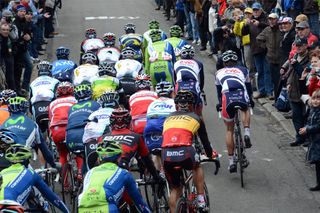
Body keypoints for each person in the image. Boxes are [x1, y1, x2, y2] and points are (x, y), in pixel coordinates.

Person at [162, 90, 209, 212]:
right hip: (185, 152)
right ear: (192, 105)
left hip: (166, 155)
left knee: (175, 188)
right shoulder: (196, 118)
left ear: (176, 105)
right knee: (197, 167)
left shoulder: (167, 118)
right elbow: (205, 142)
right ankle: (200, 200)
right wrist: (210, 155)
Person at [78, 140, 151, 213]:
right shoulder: (123, 173)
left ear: (99, 159)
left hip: (83, 207)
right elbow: (140, 204)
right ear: (119, 158)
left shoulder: (90, 172)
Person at [0, 144, 69, 212]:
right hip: (8, 205)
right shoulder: (31, 173)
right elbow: (52, 197)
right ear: (27, 161)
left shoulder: (2, 172)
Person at [215, 50, 253, 173]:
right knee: (245, 108)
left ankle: (231, 162)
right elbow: (248, 88)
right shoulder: (243, 70)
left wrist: (220, 105)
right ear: (236, 61)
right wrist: (250, 100)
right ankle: (247, 132)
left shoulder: (219, 72)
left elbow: (219, 92)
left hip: (227, 96)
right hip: (241, 93)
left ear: (224, 63)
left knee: (229, 130)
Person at [0, 96, 57, 168]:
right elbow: (44, 149)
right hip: (21, 156)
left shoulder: (3, 124)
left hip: (5, 156)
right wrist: (53, 165)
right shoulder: (33, 124)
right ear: (26, 109)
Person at [144, 81, 176, 171]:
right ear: (170, 93)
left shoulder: (152, 104)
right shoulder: (173, 102)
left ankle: (158, 177)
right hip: (167, 128)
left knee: (157, 152)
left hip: (150, 129)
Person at [48, 81, 77, 170]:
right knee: (78, 151)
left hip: (56, 130)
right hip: (70, 129)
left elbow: (50, 119)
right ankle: (80, 173)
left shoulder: (52, 103)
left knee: (62, 154)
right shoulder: (76, 101)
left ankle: (64, 181)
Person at [29, 61, 59, 133]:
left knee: (37, 130)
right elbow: (58, 97)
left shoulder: (32, 83)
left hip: (36, 105)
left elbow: (30, 100)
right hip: (50, 103)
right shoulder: (55, 81)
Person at [299, 89, 320, 191]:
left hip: (318, 141)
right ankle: (318, 183)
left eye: (318, 99)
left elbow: (318, 126)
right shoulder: (312, 110)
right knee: (317, 163)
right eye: (314, 98)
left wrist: (307, 129)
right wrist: (305, 128)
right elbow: (309, 122)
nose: (315, 101)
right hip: (314, 141)